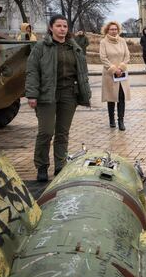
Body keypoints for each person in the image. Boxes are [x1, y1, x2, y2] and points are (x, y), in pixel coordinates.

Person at [25, 14, 91, 182]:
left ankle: (60, 165)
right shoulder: (41, 47)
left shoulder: (73, 47)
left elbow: (82, 71)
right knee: (46, 132)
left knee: (62, 133)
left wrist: (84, 92)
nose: (62, 29)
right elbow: (32, 72)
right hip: (47, 94)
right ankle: (41, 166)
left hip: (69, 94)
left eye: (65, 26)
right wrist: (32, 95)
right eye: (59, 26)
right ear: (51, 28)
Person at [99, 21, 131, 131]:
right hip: (109, 74)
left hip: (121, 74)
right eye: (111, 29)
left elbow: (127, 56)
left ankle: (121, 120)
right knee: (111, 98)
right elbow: (103, 58)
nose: (114, 31)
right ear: (107, 30)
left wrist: (121, 68)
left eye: (115, 29)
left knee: (121, 97)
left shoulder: (122, 41)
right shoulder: (103, 42)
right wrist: (114, 69)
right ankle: (111, 119)